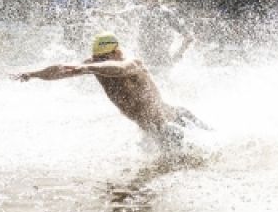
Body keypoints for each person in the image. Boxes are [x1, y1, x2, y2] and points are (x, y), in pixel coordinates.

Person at [12, 31, 206, 152]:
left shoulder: (132, 64)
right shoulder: (94, 64)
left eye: (104, 57)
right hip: (151, 129)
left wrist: (90, 68)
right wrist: (33, 73)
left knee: (203, 153)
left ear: (116, 52)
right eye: (97, 57)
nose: (99, 61)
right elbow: (61, 68)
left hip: (173, 121)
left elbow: (119, 69)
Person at [105, 0, 194, 70]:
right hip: (143, 62)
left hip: (160, 65)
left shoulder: (165, 13)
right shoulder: (140, 9)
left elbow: (189, 37)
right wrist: (99, 13)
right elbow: (115, 15)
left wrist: (176, 56)